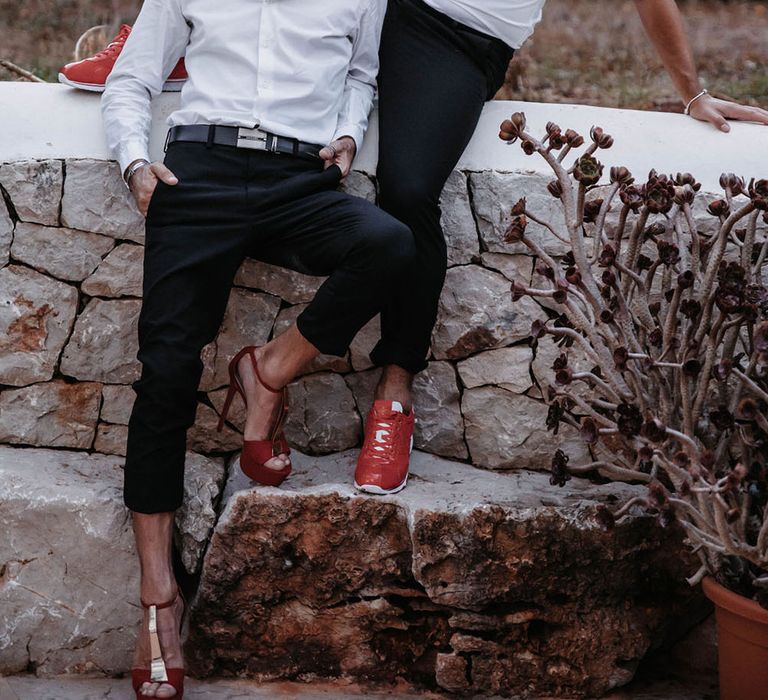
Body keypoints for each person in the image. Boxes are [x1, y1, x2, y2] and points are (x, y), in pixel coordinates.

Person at [100, 0, 414, 697]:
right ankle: (159, 596)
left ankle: (270, 368)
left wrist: (346, 135)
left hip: (298, 179)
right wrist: (133, 165)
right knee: (167, 373)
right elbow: (132, 78)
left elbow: (361, 75)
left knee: (390, 245)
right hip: (198, 173)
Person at [367, 0, 768, 492]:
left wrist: (692, 93)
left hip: (453, 37)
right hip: (361, 15)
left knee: (407, 188)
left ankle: (395, 386)